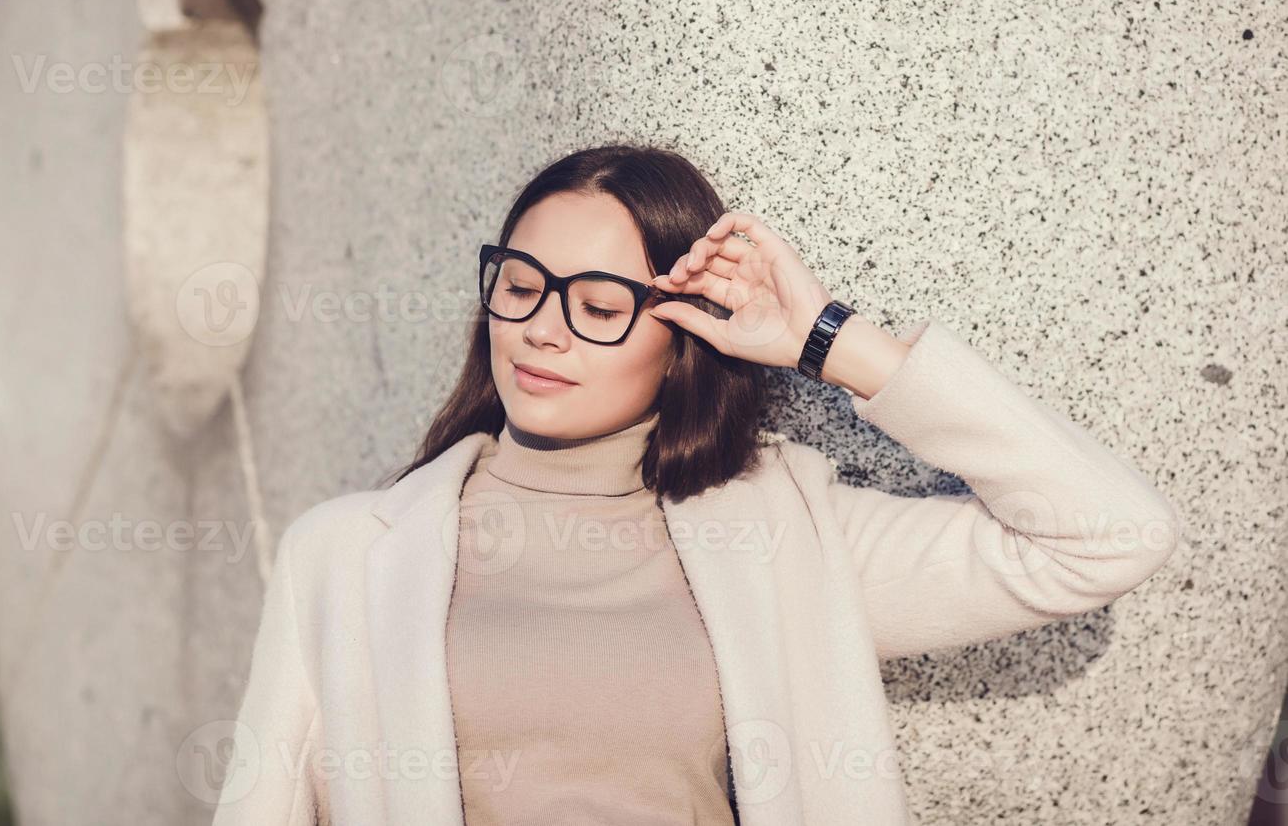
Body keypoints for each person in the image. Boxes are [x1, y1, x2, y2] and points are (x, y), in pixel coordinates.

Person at [209, 144, 1181, 826]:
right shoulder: (343, 552)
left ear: (682, 341)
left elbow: (1107, 535)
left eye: (597, 305)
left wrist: (827, 340)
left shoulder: (786, 538)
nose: (543, 329)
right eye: (518, 286)